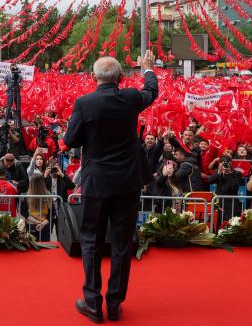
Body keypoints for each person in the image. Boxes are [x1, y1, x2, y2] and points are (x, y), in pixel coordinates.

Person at [63, 51, 158, 323]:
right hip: (128, 182)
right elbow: (151, 91)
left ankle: (92, 303)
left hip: (97, 181)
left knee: (91, 239)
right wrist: (148, 68)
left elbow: (70, 140)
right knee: (121, 242)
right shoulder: (130, 99)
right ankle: (115, 303)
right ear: (120, 77)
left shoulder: (84, 103)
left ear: (94, 78)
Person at [25, 174, 51, 241]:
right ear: (42, 183)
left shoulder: (27, 195)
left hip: (33, 224)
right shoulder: (48, 195)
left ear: (31, 183)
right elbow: (52, 213)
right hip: (43, 225)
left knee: (31, 247)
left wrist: (37, 222)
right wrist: (42, 223)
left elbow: (23, 211)